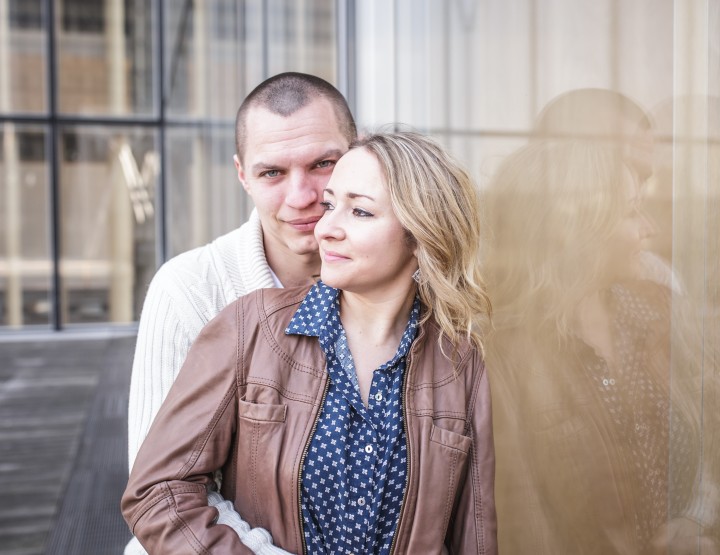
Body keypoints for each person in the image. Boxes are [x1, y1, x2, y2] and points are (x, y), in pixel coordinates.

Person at [121, 132, 497, 554]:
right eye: (331, 205)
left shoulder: (460, 362)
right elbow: (157, 490)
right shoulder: (250, 327)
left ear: (420, 234)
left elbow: (474, 533)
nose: (326, 228)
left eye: (360, 211)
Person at [125, 72, 357, 555]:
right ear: (242, 175)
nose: (301, 196)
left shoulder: (407, 288)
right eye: (273, 173)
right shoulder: (189, 289)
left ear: (357, 157)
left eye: (323, 164)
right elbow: (164, 495)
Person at [483, 134, 718, 553]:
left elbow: (712, 436)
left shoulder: (658, 311)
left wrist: (695, 519)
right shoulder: (503, 352)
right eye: (630, 212)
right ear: (575, 229)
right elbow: (525, 522)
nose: (650, 228)